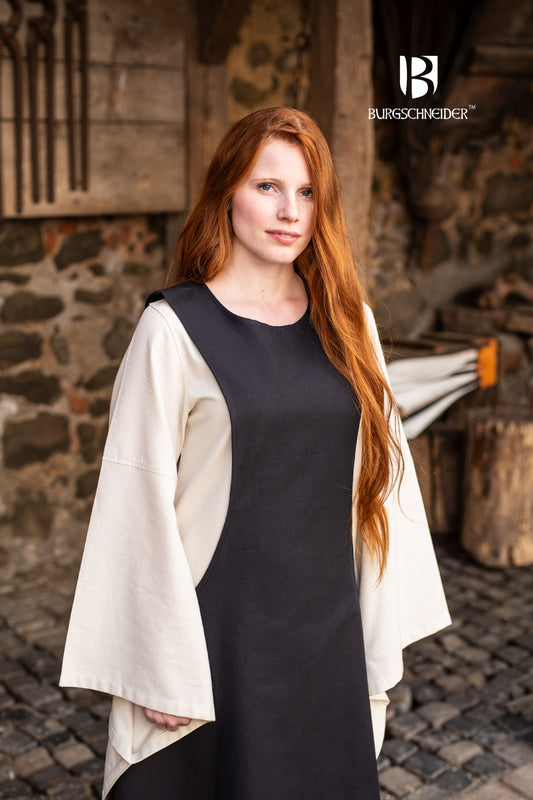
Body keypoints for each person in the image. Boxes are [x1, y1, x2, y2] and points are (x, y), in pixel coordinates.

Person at [60, 106, 451, 799]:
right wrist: (159, 659)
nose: (289, 211)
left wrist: (379, 617)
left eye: (306, 192)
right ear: (227, 193)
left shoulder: (348, 323)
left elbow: (383, 480)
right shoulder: (172, 328)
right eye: (267, 186)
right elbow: (134, 495)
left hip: (327, 631)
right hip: (216, 640)